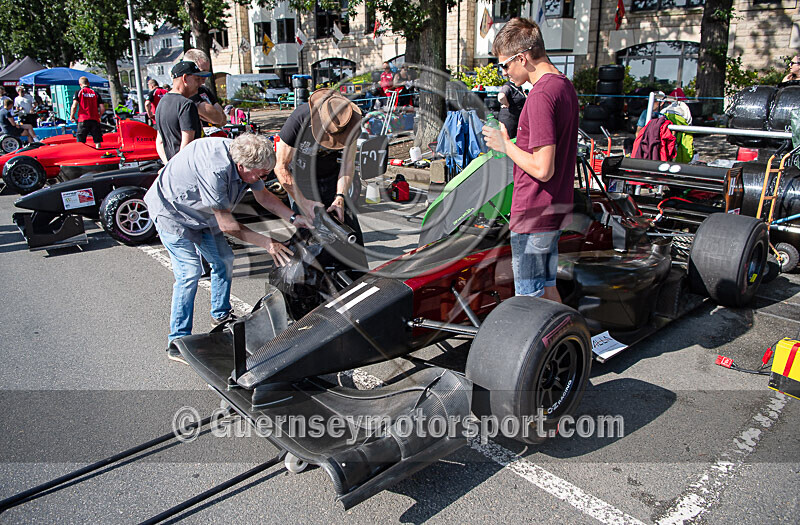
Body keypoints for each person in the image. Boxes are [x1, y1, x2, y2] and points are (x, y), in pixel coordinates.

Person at [144, 133, 313, 363]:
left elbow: (263, 196)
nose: (263, 177)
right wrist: (267, 243)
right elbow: (227, 225)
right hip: (172, 212)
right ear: (242, 166)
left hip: (202, 214)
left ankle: (220, 315)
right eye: (262, 174)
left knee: (224, 259)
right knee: (189, 272)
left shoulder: (248, 159)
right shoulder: (215, 170)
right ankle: (177, 341)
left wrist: (294, 218)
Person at [482, 17, 578, 303]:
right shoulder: (563, 86)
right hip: (553, 209)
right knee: (547, 288)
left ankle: (548, 348)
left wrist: (505, 145)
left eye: (505, 65)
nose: (505, 73)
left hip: (534, 213)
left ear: (522, 57)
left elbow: (542, 168)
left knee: (529, 299)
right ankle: (565, 344)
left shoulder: (541, 96)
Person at [274, 88, 368, 269]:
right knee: (312, 237)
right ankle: (315, 284)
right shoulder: (299, 119)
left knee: (349, 235)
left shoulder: (350, 122)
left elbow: (347, 165)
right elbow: (281, 167)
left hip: (332, 178)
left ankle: (357, 281)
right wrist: (303, 201)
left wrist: (340, 197)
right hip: (301, 182)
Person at [154, 61, 208, 163]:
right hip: (188, 168)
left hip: (173, 170)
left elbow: (159, 142)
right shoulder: (186, 105)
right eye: (197, 79)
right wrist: (179, 167)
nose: (200, 83)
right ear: (185, 78)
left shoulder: (162, 103)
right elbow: (187, 146)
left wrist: (169, 166)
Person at [183, 48, 227, 127]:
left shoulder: (204, 90)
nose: (204, 77)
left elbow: (222, 120)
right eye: (202, 72)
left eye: (207, 72)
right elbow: (216, 118)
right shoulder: (184, 94)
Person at [69, 76, 105, 145]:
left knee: (81, 141)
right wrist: (99, 115)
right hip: (94, 119)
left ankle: (82, 153)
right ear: (88, 83)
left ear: (80, 84)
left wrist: (72, 116)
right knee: (97, 141)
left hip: (83, 119)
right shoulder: (95, 93)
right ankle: (99, 152)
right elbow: (102, 108)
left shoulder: (79, 92)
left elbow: (74, 106)